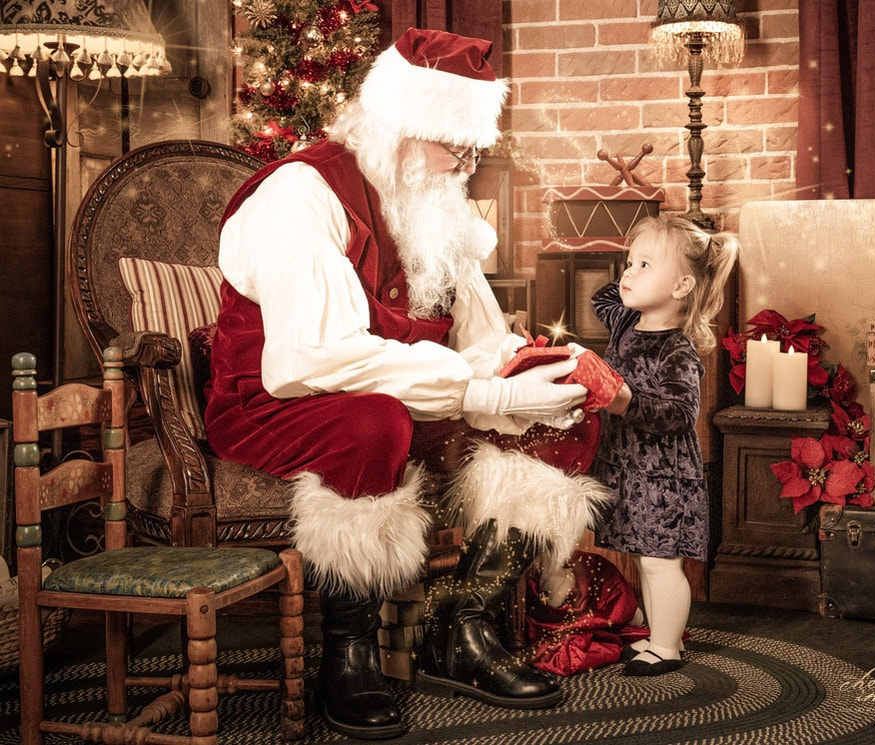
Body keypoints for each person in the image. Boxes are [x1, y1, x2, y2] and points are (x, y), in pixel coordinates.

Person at [204, 27, 610, 740]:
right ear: (399, 125)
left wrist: (537, 373)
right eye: (452, 146)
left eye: (471, 148)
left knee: (562, 411)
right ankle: (349, 650)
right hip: (276, 400)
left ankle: (463, 626)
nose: (464, 165)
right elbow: (309, 359)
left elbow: (479, 339)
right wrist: (483, 396)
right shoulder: (302, 192)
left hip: (398, 390)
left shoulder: (435, 203)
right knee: (374, 426)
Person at [590, 215, 739, 677]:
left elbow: (678, 415)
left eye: (644, 266)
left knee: (660, 564)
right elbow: (600, 296)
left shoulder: (677, 349)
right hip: (628, 472)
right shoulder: (625, 325)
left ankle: (668, 647)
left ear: (681, 286)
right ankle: (657, 637)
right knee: (643, 558)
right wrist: (640, 262)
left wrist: (625, 401)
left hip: (663, 478)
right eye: (628, 263)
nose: (627, 274)